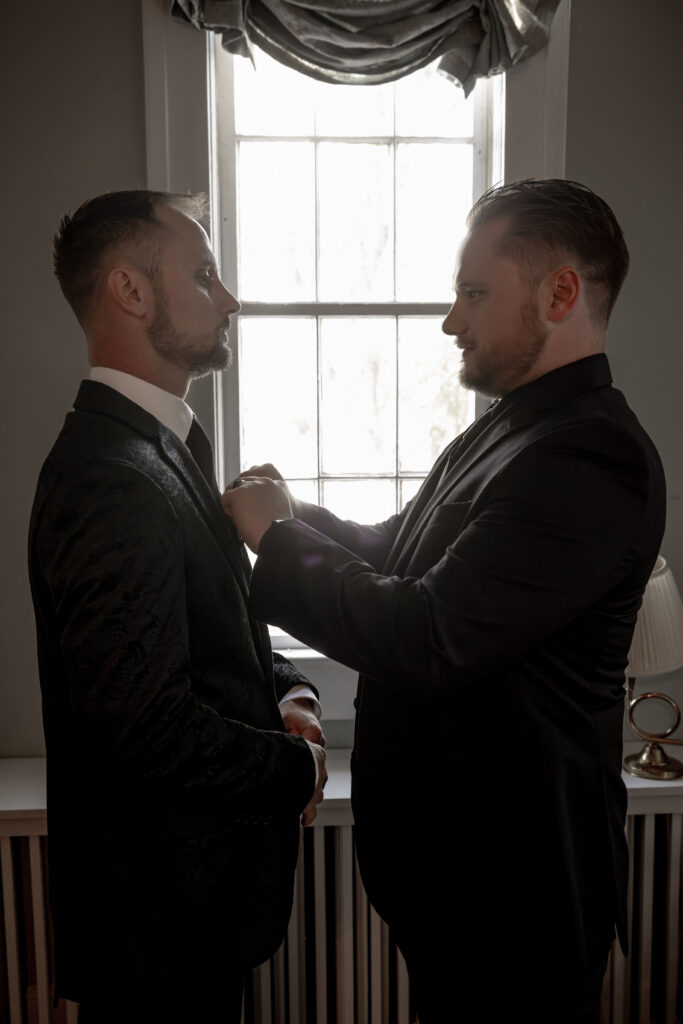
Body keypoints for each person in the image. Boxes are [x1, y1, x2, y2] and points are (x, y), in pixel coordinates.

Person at [222, 179, 666, 1023]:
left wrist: (278, 542)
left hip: (518, 900)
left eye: (471, 293)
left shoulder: (591, 456)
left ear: (560, 292)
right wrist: (294, 513)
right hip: (457, 884)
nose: (449, 320)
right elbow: (404, 552)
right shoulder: (509, 427)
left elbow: (428, 634)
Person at [28, 189, 327, 1024]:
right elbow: (146, 726)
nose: (228, 298)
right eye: (204, 274)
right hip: (154, 930)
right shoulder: (109, 478)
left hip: (192, 915)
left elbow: (212, 634)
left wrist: (290, 693)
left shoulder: (161, 446)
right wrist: (293, 768)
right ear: (130, 291)